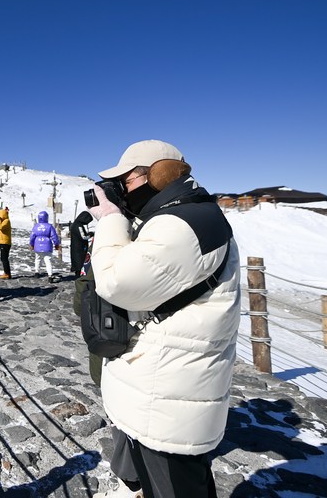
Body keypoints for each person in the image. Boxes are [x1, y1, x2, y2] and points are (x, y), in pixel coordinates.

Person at [86, 139, 240, 498]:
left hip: (172, 391)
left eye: (125, 181)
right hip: (164, 384)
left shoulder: (184, 223)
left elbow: (117, 281)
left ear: (157, 175)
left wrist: (110, 220)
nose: (121, 191)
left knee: (176, 485)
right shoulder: (181, 214)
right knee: (157, 474)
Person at [29, 211, 60, 282]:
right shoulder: (49, 226)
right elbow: (54, 236)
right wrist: (56, 244)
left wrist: (32, 244)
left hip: (37, 244)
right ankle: (50, 275)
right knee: (48, 260)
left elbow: (32, 236)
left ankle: (36, 272)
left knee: (37, 259)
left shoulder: (36, 226)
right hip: (47, 245)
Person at [0, 207, 12, 279]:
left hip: (5, 242)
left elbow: (0, 227)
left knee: (4, 258)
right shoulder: (5, 221)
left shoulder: (6, 221)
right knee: (3, 258)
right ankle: (6, 272)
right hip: (3, 241)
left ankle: (7, 273)